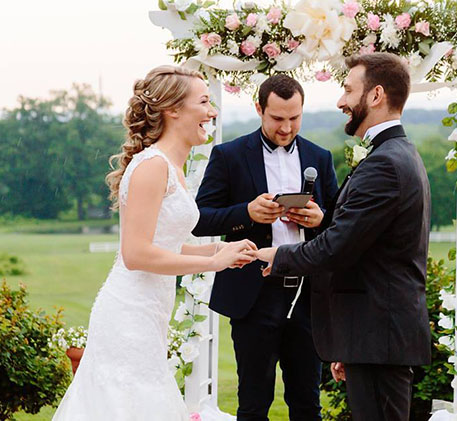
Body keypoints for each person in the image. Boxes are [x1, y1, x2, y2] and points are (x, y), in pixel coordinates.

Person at [52, 65, 256, 421]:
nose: (212, 112)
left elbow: (166, 244)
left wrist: (218, 249)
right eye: (205, 102)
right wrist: (212, 263)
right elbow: (135, 253)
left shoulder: (174, 167)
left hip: (149, 312)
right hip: (128, 312)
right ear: (172, 109)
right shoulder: (152, 166)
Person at [252, 53, 432, 421]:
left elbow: (337, 247)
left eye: (348, 90)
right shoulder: (396, 154)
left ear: (376, 94)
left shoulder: (385, 163)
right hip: (371, 339)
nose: (340, 101)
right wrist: (348, 345)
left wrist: (278, 256)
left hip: (380, 338)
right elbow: (364, 247)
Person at [192, 74, 339, 421]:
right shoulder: (228, 155)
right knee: (254, 403)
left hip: (306, 296)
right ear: (259, 109)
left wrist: (319, 219)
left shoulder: (321, 155)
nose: (287, 128)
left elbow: (340, 223)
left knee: (307, 404)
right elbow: (199, 219)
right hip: (253, 294)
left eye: (294, 118)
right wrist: (246, 212)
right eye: (277, 118)